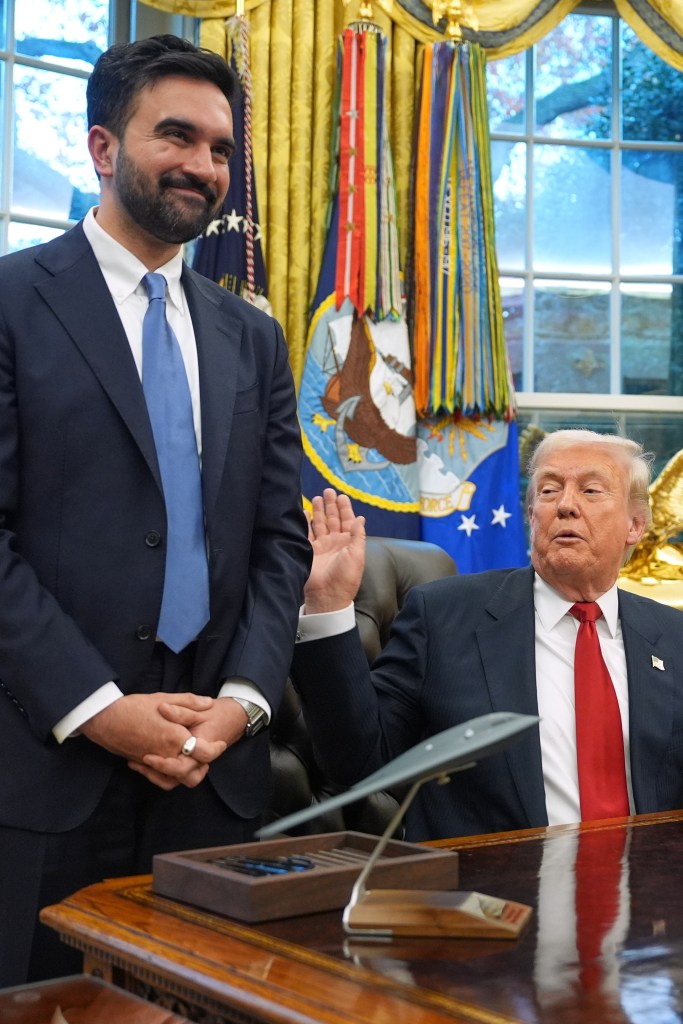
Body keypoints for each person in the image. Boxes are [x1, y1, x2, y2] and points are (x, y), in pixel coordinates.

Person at [0, 34, 311, 986]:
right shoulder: (12, 303)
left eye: (221, 149)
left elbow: (278, 541)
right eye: (175, 136)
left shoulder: (252, 338)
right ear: (102, 148)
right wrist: (99, 710)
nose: (203, 167)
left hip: (211, 785)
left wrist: (241, 706)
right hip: (50, 771)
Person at [291, 429, 683, 842]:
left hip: (647, 892)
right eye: (548, 491)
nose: (565, 505)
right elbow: (359, 762)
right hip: (492, 893)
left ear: (635, 525)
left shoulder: (673, 639)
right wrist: (329, 606)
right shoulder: (443, 617)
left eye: (591, 490)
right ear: (531, 516)